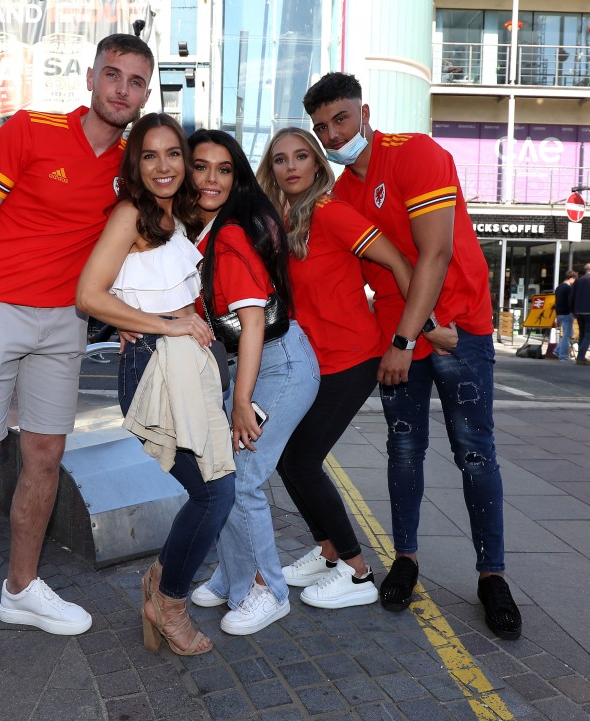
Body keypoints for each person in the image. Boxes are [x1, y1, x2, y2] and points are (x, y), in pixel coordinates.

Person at [0, 34, 155, 699]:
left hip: (65, 321)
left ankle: (22, 587)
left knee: (43, 458)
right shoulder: (28, 130)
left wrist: (128, 316)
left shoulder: (129, 166)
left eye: (136, 82)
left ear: (148, 93)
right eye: (113, 75)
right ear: (91, 77)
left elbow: (135, 248)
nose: (122, 89)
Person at [302, 71, 521, 640]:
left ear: (365, 111)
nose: (332, 134)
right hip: (405, 333)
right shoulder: (339, 194)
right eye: (322, 128)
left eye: (341, 120)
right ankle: (407, 560)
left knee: (475, 452)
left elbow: (437, 251)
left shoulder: (415, 154)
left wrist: (410, 338)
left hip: (457, 326)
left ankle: (492, 575)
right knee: (403, 449)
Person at [77, 113, 235, 656]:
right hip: (153, 366)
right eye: (150, 155)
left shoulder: (180, 219)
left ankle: (162, 586)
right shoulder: (129, 215)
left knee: (214, 489)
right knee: (215, 491)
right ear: (135, 164)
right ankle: (167, 600)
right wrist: (165, 324)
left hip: (187, 364)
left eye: (173, 154)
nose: (163, 166)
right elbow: (90, 296)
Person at [256, 127, 417, 610]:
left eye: (301, 156)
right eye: (281, 158)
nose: (291, 166)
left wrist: (418, 328)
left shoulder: (329, 212)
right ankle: (327, 552)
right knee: (288, 459)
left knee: (301, 460)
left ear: (316, 165)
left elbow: (398, 260)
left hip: (351, 357)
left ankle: (356, 569)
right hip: (310, 361)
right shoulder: (279, 219)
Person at [184, 129, 319, 634]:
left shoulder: (232, 235)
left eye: (224, 169)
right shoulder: (206, 232)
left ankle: (265, 589)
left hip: (278, 366)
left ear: (236, 177)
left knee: (242, 477)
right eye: (202, 166)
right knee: (220, 471)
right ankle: (235, 570)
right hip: (259, 364)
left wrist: (241, 400)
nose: (212, 179)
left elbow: (255, 320)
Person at [554, 270, 578, 361]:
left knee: (570, 333)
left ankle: (557, 350)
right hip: (567, 313)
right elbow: (571, 301)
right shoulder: (569, 288)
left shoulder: (559, 287)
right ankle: (562, 355)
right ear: (571, 278)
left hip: (559, 313)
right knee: (566, 335)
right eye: (574, 279)